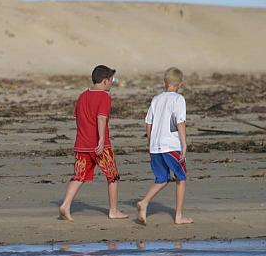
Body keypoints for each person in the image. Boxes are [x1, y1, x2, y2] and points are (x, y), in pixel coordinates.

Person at [59, 65, 128, 221]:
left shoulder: (83, 96)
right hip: (99, 145)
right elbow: (101, 118)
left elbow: (79, 117)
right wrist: (102, 139)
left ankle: (66, 204)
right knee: (113, 176)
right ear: (105, 81)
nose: (112, 83)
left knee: (78, 176)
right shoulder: (104, 97)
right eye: (112, 80)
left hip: (81, 144)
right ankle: (113, 210)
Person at [136, 67, 193, 225]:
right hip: (171, 146)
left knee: (162, 179)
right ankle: (179, 216)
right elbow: (180, 122)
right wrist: (184, 145)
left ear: (164, 82)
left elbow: (148, 123)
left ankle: (144, 202)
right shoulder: (178, 99)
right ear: (180, 84)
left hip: (156, 146)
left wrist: (150, 141)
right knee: (181, 178)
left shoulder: (156, 99)